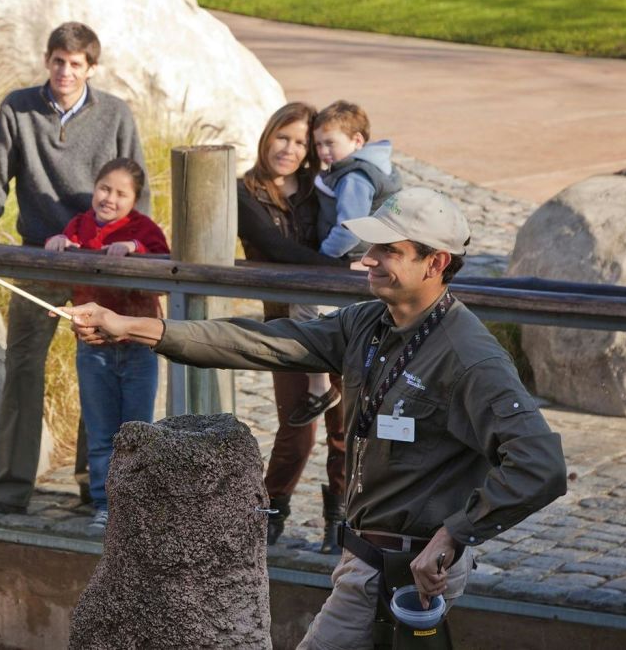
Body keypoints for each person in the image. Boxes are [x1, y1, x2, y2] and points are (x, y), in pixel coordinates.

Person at [68, 187, 567, 649]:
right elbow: (259, 342)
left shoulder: (470, 358)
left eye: (388, 251)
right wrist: (130, 326)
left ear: (434, 262)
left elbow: (540, 465)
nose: (367, 259)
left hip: (404, 569)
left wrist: (456, 532)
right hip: (367, 556)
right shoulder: (369, 322)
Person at [0, 21, 150, 513]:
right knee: (23, 368)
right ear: (47, 61)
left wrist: (128, 243)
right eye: (57, 62)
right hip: (39, 254)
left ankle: (98, 488)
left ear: (91, 67)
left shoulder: (114, 114)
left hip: (97, 261)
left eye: (75, 64)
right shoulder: (18, 107)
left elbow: (136, 185)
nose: (65, 72)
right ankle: (10, 489)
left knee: (102, 367)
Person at [237, 102, 351, 551]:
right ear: (268, 136)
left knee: (346, 430)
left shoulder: (317, 187)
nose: (289, 148)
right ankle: (271, 511)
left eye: (301, 142)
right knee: (297, 428)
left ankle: (339, 519)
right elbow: (273, 246)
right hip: (286, 324)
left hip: (338, 318)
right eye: (283, 137)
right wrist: (335, 269)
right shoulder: (245, 190)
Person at [45, 158, 169, 533]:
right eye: (104, 188)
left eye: (121, 193)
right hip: (93, 345)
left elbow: (166, 267)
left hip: (136, 345)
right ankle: (103, 503)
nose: (109, 198)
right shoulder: (79, 226)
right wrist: (60, 244)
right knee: (101, 432)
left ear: (135, 199)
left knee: (136, 428)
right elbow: (61, 264)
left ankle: (135, 504)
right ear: (94, 188)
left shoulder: (143, 229)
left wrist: (136, 249)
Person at [312, 100, 402, 260]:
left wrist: (324, 257)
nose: (323, 151)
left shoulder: (354, 178)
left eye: (330, 143)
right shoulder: (375, 165)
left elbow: (350, 229)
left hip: (355, 256)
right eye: (318, 144)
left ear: (357, 141)